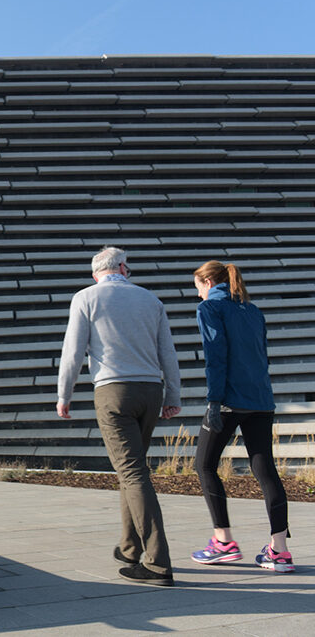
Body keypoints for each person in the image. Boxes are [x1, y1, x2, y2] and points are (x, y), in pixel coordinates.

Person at [57, 246, 182, 587]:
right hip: (150, 390)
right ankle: (129, 548)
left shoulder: (86, 297)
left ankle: (157, 564)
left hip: (113, 392)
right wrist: (173, 396)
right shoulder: (151, 301)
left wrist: (64, 396)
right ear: (123, 268)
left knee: (132, 473)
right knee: (133, 471)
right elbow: (167, 352)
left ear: (96, 273)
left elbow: (72, 352)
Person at [189, 261, 294, 573]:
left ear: (208, 282)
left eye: (197, 286)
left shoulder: (210, 308)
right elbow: (261, 355)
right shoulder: (253, 310)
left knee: (204, 464)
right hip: (262, 399)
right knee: (265, 471)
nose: (197, 293)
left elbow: (215, 357)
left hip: (229, 400)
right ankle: (280, 551)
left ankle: (223, 541)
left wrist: (213, 402)